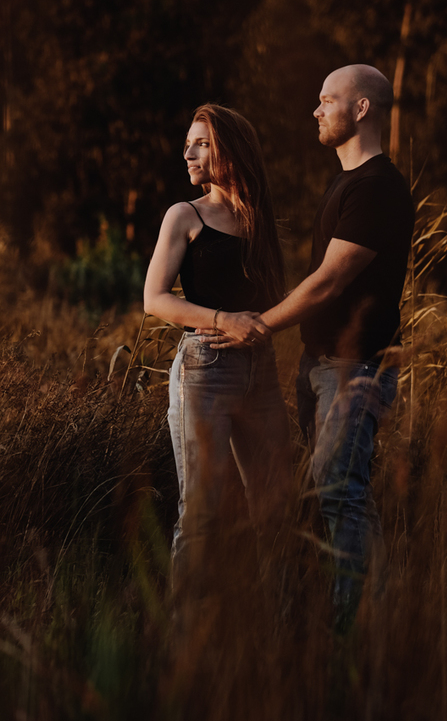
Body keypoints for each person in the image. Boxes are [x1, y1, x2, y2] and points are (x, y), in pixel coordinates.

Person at [201, 65, 414, 631]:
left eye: (326, 100)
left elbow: (329, 281)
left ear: (361, 109)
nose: (315, 111)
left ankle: (357, 629)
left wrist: (259, 324)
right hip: (321, 367)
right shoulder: (346, 183)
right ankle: (361, 616)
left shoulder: (378, 187)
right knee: (338, 494)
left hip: (355, 368)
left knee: (338, 490)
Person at [142, 104, 291, 593]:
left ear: (232, 148)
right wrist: (223, 320)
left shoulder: (259, 219)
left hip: (261, 372)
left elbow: (271, 298)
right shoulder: (185, 215)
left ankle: (278, 638)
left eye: (201, 143)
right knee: (203, 513)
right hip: (204, 369)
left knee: (276, 508)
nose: (188, 153)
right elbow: (154, 299)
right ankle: (186, 647)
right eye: (188, 144)